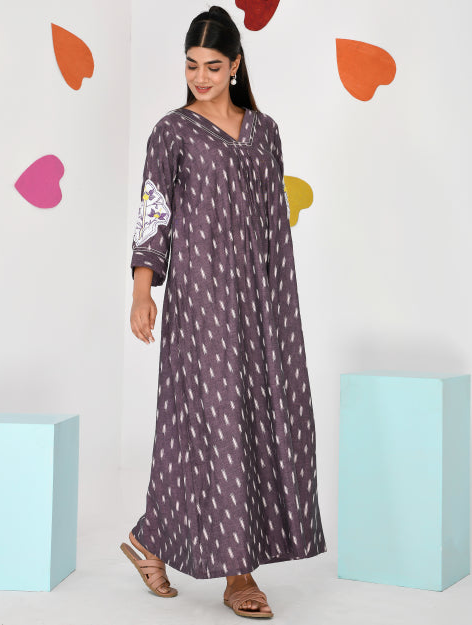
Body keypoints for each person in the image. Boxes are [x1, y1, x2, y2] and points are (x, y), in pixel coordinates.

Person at [120, 5, 327, 619]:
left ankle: (149, 540)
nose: (200, 77)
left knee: (259, 419)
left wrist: (277, 307)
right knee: (215, 425)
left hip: (262, 302)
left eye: (212, 66)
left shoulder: (265, 131)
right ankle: (239, 574)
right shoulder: (172, 132)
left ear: (236, 65)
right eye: (191, 65)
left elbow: (273, 227)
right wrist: (142, 290)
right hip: (201, 302)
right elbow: (154, 211)